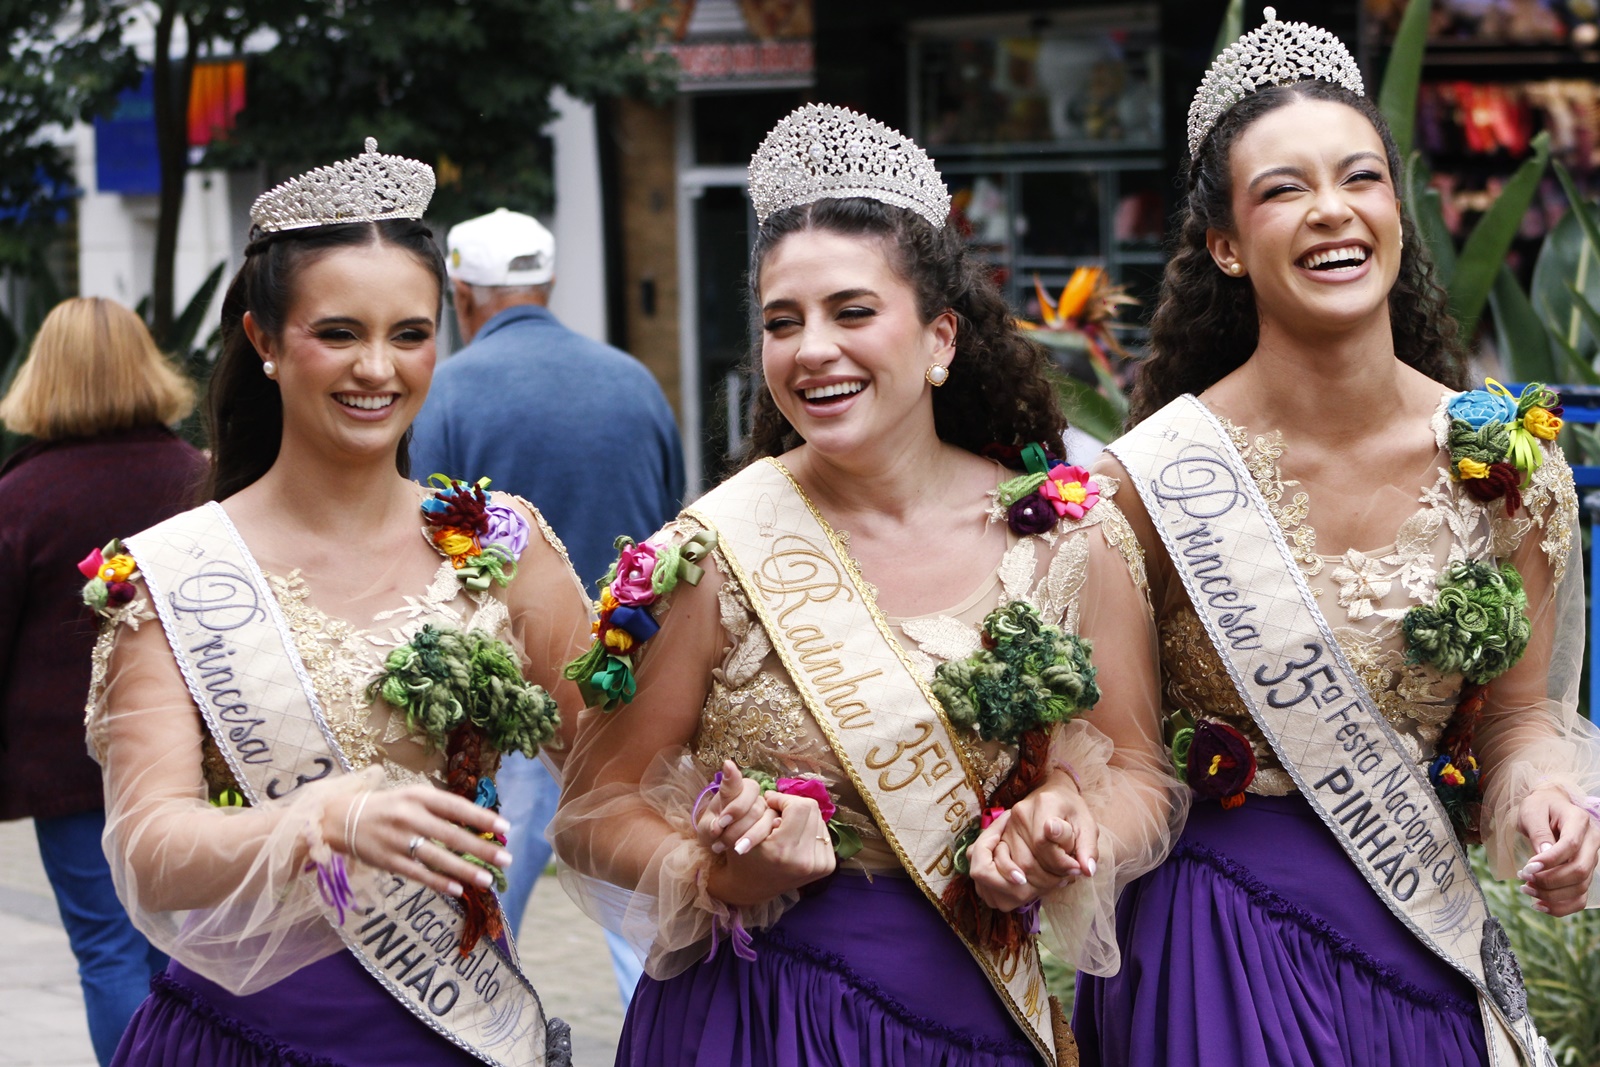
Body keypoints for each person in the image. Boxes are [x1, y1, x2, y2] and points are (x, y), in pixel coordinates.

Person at [551, 104, 1187, 1066]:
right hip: (754, 1022)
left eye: (852, 312)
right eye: (783, 322)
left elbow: (1139, 774)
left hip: (974, 1015)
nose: (812, 348)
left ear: (939, 340)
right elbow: (596, 811)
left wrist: (1069, 823)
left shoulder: (1069, 537)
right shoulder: (711, 555)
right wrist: (715, 868)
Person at [1072, 11, 1600, 1066]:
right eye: (1283, 189)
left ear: (1397, 210)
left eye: (1361, 178)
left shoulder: (1507, 467)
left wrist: (1546, 796)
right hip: (1210, 948)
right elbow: (1124, 765)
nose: (1331, 209)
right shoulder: (1145, 483)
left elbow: (1519, 719)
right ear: (1224, 244)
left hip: (1418, 948)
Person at [84, 139, 590, 1066]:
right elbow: (150, 848)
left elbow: (615, 770)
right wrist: (319, 821)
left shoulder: (497, 546)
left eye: (410, 333)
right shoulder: (172, 575)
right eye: (340, 333)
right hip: (240, 1038)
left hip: (453, 1026)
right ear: (265, 342)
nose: (378, 369)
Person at [411, 207, 684, 1004]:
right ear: (549, 284)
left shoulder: (446, 392)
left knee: (488, 890)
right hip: (631, 677)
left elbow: (422, 546)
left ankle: (481, 1022)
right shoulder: (633, 381)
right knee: (636, 895)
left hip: (506, 694)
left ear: (463, 296)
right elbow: (671, 527)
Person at [0, 297, 203, 1064]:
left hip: (67, 767)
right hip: (189, 752)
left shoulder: (19, 496)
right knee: (180, 952)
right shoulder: (203, 480)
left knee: (107, 950)